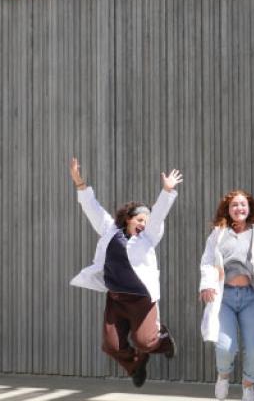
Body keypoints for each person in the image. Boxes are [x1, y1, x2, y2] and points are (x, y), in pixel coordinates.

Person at [68, 157, 181, 388]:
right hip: (116, 299)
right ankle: (136, 365)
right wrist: (80, 183)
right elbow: (92, 208)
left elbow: (158, 215)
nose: (143, 224)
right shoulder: (110, 230)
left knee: (146, 342)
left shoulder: (148, 238)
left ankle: (164, 340)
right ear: (128, 219)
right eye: (140, 219)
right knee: (111, 346)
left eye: (146, 221)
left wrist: (167, 191)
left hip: (141, 300)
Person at [198, 189, 254, 401]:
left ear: (249, 208)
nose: (239, 208)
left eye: (243, 204)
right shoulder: (218, 234)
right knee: (226, 346)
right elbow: (207, 261)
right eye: (234, 205)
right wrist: (206, 285)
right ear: (228, 209)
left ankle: (248, 384)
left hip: (250, 297)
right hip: (224, 296)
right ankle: (224, 375)